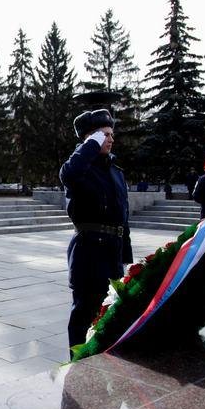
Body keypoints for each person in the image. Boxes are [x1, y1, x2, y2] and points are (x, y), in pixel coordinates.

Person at [59, 108, 133, 358]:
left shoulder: (116, 171)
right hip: (89, 251)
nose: (110, 139)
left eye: (111, 134)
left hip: (113, 251)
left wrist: (126, 254)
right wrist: (90, 146)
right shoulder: (79, 168)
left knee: (111, 312)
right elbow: (68, 174)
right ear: (88, 140)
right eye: (103, 134)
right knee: (84, 313)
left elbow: (123, 214)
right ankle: (78, 364)